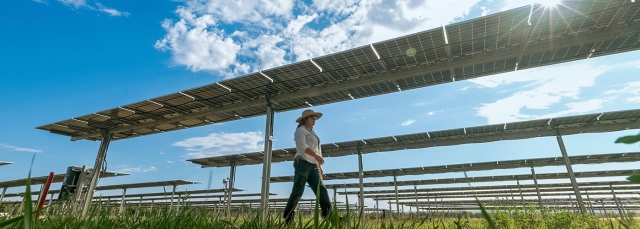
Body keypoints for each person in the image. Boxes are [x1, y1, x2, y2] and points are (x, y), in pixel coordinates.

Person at [282, 109, 333, 224]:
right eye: (312, 117)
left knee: (322, 191)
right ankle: (288, 218)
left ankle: (329, 217)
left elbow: (317, 150)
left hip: (314, 165)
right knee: (298, 192)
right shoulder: (300, 131)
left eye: (315, 118)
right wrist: (316, 156)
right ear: (305, 119)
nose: (314, 120)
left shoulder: (314, 133)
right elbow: (302, 146)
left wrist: (319, 164)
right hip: (303, 163)